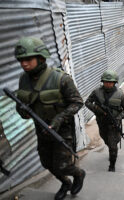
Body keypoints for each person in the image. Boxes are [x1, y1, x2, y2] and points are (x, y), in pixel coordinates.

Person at [14, 37, 85, 200]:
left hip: (62, 130)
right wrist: (22, 111)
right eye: (20, 60)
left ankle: (79, 174)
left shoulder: (60, 78)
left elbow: (77, 102)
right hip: (41, 129)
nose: (23, 63)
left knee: (63, 165)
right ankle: (66, 183)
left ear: (40, 57)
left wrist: (59, 118)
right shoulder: (23, 80)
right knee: (47, 163)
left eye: (27, 59)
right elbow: (22, 102)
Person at [85, 70, 124, 172]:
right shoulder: (96, 92)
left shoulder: (120, 94)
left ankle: (112, 165)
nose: (108, 84)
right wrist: (97, 109)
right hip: (101, 123)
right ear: (102, 81)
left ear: (115, 82)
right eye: (106, 81)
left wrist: (119, 117)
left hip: (114, 124)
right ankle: (111, 147)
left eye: (110, 82)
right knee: (106, 140)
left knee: (113, 146)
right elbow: (87, 102)